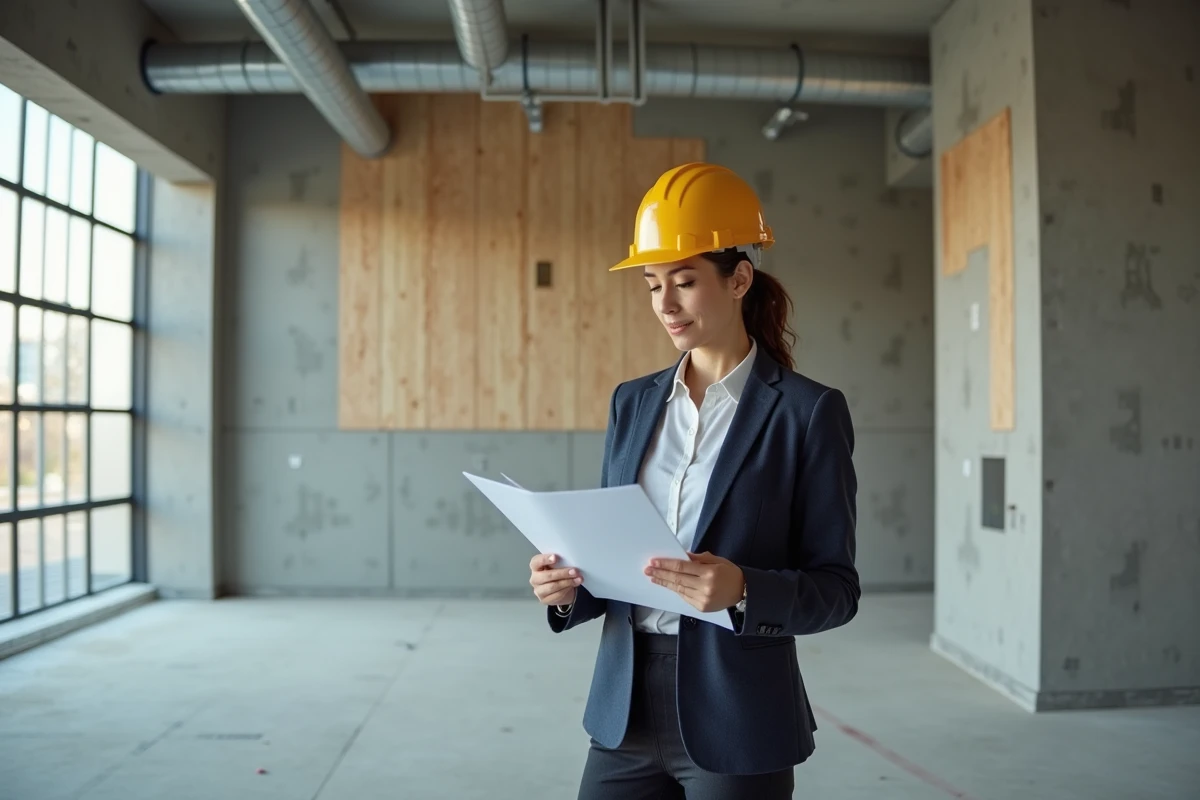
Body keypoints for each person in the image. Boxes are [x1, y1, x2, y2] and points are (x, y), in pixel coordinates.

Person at [528, 162, 860, 799]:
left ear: (739, 279)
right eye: (653, 285)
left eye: (683, 281)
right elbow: (613, 559)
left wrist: (741, 591)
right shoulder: (633, 402)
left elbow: (836, 590)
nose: (665, 304)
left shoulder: (808, 413)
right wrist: (567, 587)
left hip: (737, 716)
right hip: (623, 710)